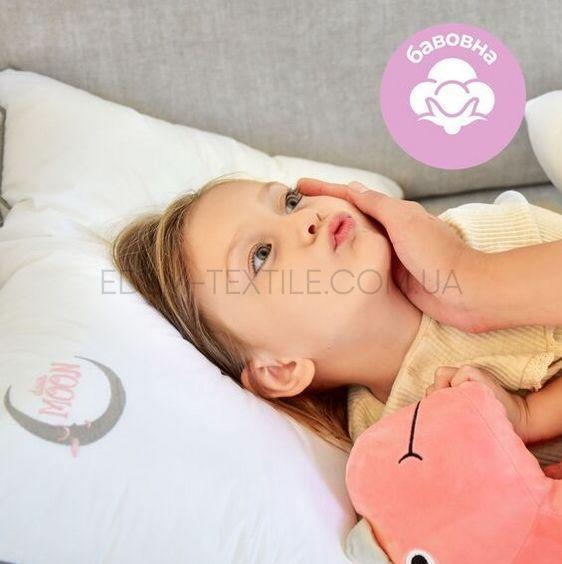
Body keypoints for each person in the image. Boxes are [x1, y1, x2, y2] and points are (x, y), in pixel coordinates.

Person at [110, 172, 562, 470]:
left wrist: (471, 275)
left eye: (289, 201)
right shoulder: (392, 441)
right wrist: (524, 420)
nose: (306, 218)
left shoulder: (481, 235)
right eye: (261, 255)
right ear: (280, 369)